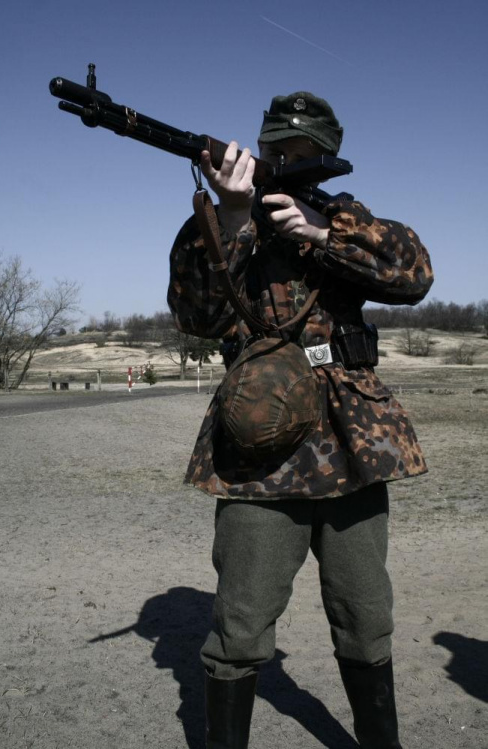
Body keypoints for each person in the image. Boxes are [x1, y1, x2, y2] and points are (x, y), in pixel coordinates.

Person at [167, 92, 434, 749]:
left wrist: (322, 234)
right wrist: (231, 217)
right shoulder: (229, 218)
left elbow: (415, 272)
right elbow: (196, 316)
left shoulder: (347, 217)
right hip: (262, 454)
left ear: (329, 155)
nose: (293, 162)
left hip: (353, 447)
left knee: (366, 615)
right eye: (281, 150)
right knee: (240, 623)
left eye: (308, 153)